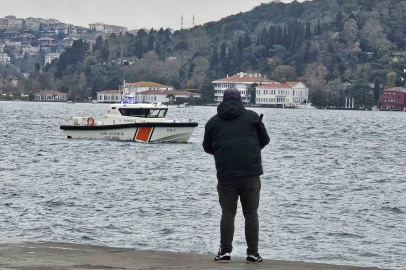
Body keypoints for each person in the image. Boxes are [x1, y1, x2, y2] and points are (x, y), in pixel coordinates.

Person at [202, 88, 270, 263]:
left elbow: (207, 148)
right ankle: (253, 253)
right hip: (251, 173)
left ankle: (225, 252)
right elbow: (265, 140)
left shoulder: (212, 123)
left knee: (228, 213)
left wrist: (223, 153)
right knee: (251, 213)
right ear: (241, 100)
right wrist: (252, 151)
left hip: (226, 174)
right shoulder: (253, 117)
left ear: (222, 101)